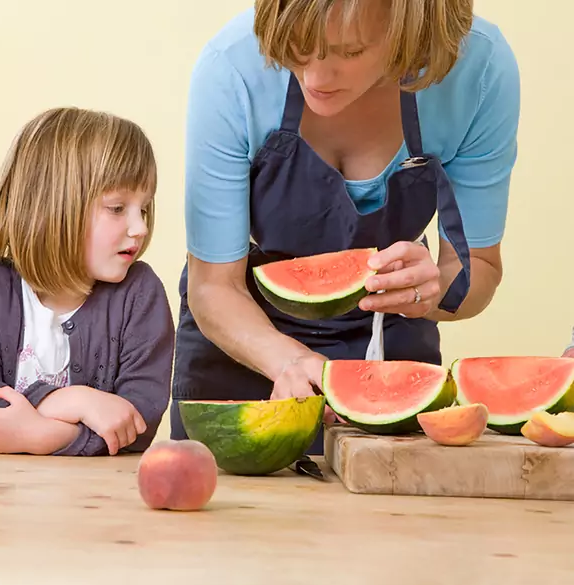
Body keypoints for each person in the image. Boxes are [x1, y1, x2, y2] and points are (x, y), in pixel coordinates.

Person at [171, 0, 521, 453]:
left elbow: (478, 268)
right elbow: (214, 286)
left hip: (390, 335)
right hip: (244, 335)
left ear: (409, 29)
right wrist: (289, 361)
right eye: (297, 47)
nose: (315, 77)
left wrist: (433, 291)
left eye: (350, 51)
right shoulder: (232, 68)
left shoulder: (479, 70)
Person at [0, 107, 174, 457]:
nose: (140, 227)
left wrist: (46, 436)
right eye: (117, 208)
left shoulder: (140, 295)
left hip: (102, 490)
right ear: (51, 206)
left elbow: (136, 422)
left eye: (143, 209)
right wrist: (76, 401)